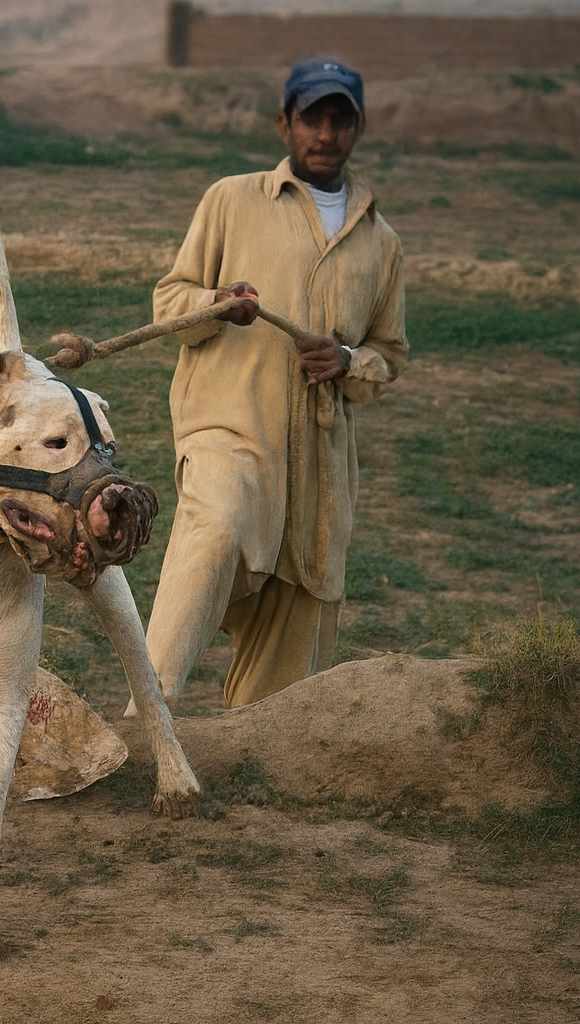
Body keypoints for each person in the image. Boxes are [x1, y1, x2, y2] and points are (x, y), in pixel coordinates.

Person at [145, 56, 408, 709]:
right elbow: (170, 302)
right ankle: (143, 711)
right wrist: (214, 302)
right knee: (218, 534)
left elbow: (390, 353)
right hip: (229, 433)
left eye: (339, 120)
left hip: (318, 470)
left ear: (359, 127)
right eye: (311, 118)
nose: (326, 133)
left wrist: (347, 359)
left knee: (284, 675)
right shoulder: (231, 199)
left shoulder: (382, 243)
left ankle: (245, 768)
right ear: (283, 125)